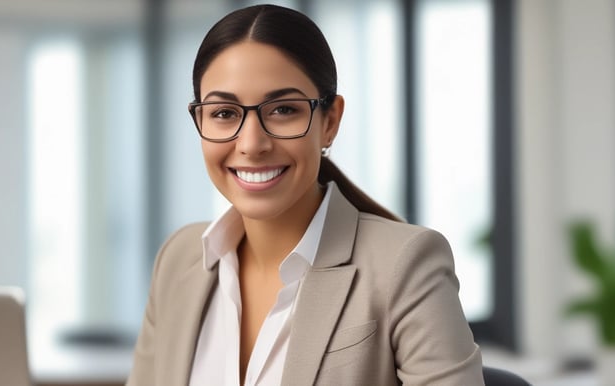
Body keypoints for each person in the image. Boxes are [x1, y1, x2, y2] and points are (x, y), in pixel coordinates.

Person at [127, 4, 483, 385]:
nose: (251, 143)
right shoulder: (179, 259)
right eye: (224, 113)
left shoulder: (404, 265)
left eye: (283, 109)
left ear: (329, 122)